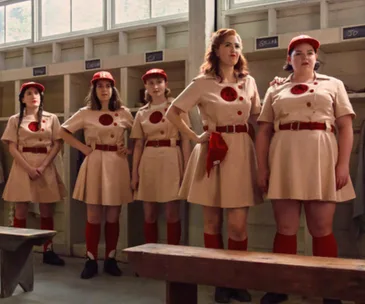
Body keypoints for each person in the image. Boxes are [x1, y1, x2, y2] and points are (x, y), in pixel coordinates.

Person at [256, 35, 356, 304]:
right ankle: (280, 286)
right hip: (285, 155)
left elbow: (345, 126)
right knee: (285, 226)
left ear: (316, 57)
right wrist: (262, 168)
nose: (304, 56)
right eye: (297, 53)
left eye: (309, 52)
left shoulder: (333, 84)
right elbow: (264, 130)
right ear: (289, 60)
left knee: (322, 227)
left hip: (322, 155)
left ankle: (329, 288)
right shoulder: (275, 89)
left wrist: (343, 163)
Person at [166, 28, 263, 303]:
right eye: (228, 45)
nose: (234, 50)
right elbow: (173, 112)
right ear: (216, 50)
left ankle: (237, 279)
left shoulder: (249, 82)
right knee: (211, 221)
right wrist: (195, 137)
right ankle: (219, 280)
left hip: (242, 150)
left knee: (238, 225)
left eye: (238, 46)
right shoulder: (202, 82)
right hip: (213, 149)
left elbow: (257, 117)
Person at [59, 71, 134, 279]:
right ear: (94, 90)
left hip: (117, 164)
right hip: (94, 161)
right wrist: (83, 149)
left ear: (113, 89)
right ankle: (90, 259)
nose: (104, 90)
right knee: (93, 215)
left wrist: (129, 150)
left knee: (113, 215)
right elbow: (62, 131)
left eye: (108, 86)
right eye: (100, 86)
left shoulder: (124, 112)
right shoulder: (85, 112)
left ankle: (110, 259)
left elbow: (139, 134)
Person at [1, 81, 66, 266]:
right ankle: (18, 251)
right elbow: (12, 147)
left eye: (36, 92)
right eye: (28, 93)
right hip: (23, 166)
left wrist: (44, 166)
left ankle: (48, 250)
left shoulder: (52, 118)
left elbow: (57, 144)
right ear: (22, 99)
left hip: (45, 165)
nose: (33, 96)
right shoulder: (15, 119)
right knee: (21, 209)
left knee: (46, 209)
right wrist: (28, 168)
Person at [130, 68, 191, 246]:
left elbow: (186, 139)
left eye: (159, 82)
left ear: (166, 84)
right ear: (146, 87)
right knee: (149, 213)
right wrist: (134, 174)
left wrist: (187, 169)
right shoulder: (142, 113)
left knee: (172, 212)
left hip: (172, 158)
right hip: (148, 161)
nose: (155, 86)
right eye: (151, 83)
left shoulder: (177, 108)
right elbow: (138, 144)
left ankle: (173, 256)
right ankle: (151, 256)